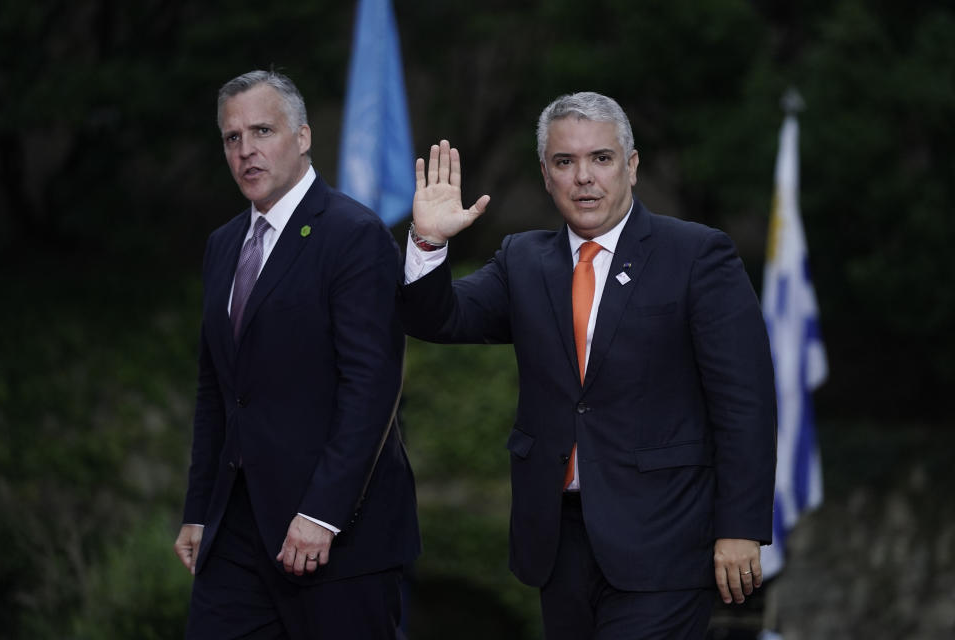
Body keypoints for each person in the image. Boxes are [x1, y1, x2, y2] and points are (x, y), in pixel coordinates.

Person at [400, 92, 776, 639]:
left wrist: (740, 528)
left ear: (632, 166)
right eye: (564, 162)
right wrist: (428, 242)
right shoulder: (522, 260)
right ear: (546, 175)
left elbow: (745, 401)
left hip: (664, 540)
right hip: (558, 542)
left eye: (601, 158)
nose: (584, 178)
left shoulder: (697, 256)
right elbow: (440, 318)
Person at [173, 69, 419, 639]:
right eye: (232, 138)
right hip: (235, 530)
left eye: (262, 130)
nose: (246, 150)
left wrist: (322, 514)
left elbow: (372, 387)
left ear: (303, 136)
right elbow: (218, 388)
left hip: (334, 538)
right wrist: (196, 508)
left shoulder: (354, 234)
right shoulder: (223, 244)